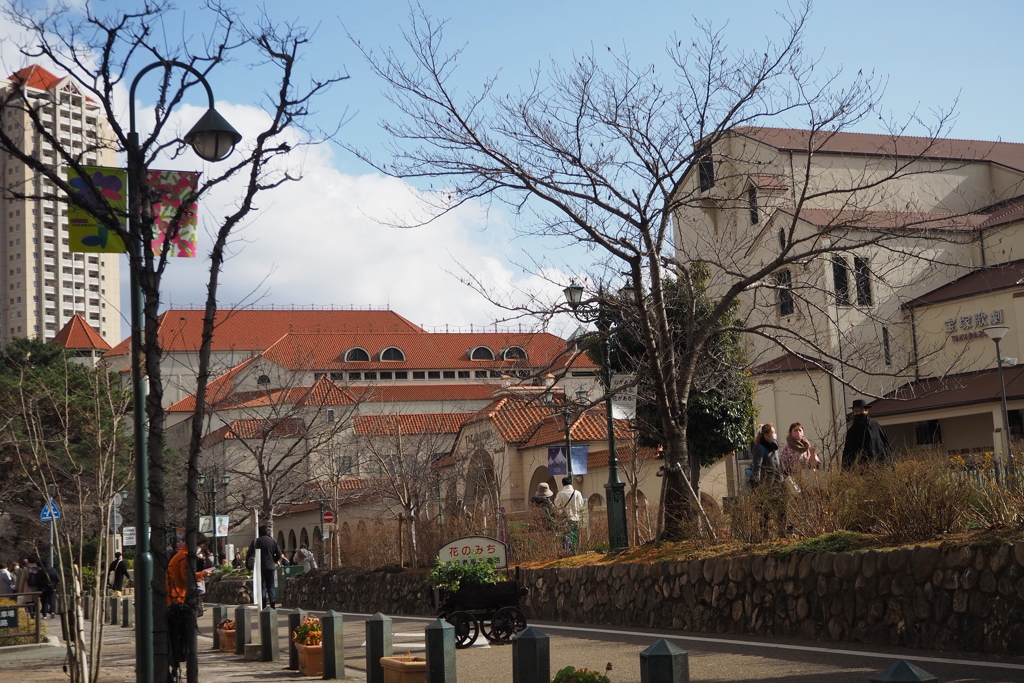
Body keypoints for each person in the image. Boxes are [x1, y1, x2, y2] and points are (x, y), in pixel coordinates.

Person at [748, 423, 787, 537]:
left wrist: (785, 476)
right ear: (765, 435)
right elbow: (757, 466)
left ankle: (782, 533)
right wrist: (757, 483)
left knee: (782, 509)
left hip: (778, 484)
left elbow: (779, 466)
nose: (774, 434)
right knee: (765, 512)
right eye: (772, 432)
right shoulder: (760, 447)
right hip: (766, 485)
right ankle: (765, 535)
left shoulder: (774, 448)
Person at [841, 399, 892, 468]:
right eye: (856, 411)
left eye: (861, 410)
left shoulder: (876, 426)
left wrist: (888, 464)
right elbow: (848, 454)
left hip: (879, 467)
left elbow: (885, 446)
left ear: (866, 411)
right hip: (861, 470)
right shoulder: (852, 431)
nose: (858, 413)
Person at [166, 535, 212, 605]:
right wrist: (202, 574)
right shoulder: (184, 556)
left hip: (175, 590)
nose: (200, 549)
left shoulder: (182, 554)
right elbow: (186, 576)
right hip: (177, 592)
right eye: (199, 547)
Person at [250, 526, 282, 609]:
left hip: (260, 567)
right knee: (271, 585)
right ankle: (272, 604)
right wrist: (274, 560)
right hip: (270, 566)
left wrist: (248, 565)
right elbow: (279, 554)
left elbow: (249, 554)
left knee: (262, 587)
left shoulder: (256, 541)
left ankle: (263, 605)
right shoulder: (272, 541)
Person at [553, 477, 586, 554]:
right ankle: (576, 550)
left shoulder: (560, 494)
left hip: (565, 518)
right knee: (576, 535)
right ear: (571, 483)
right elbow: (582, 505)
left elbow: (556, 504)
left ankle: (567, 551)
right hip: (576, 518)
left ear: (563, 484)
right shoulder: (578, 493)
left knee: (566, 535)